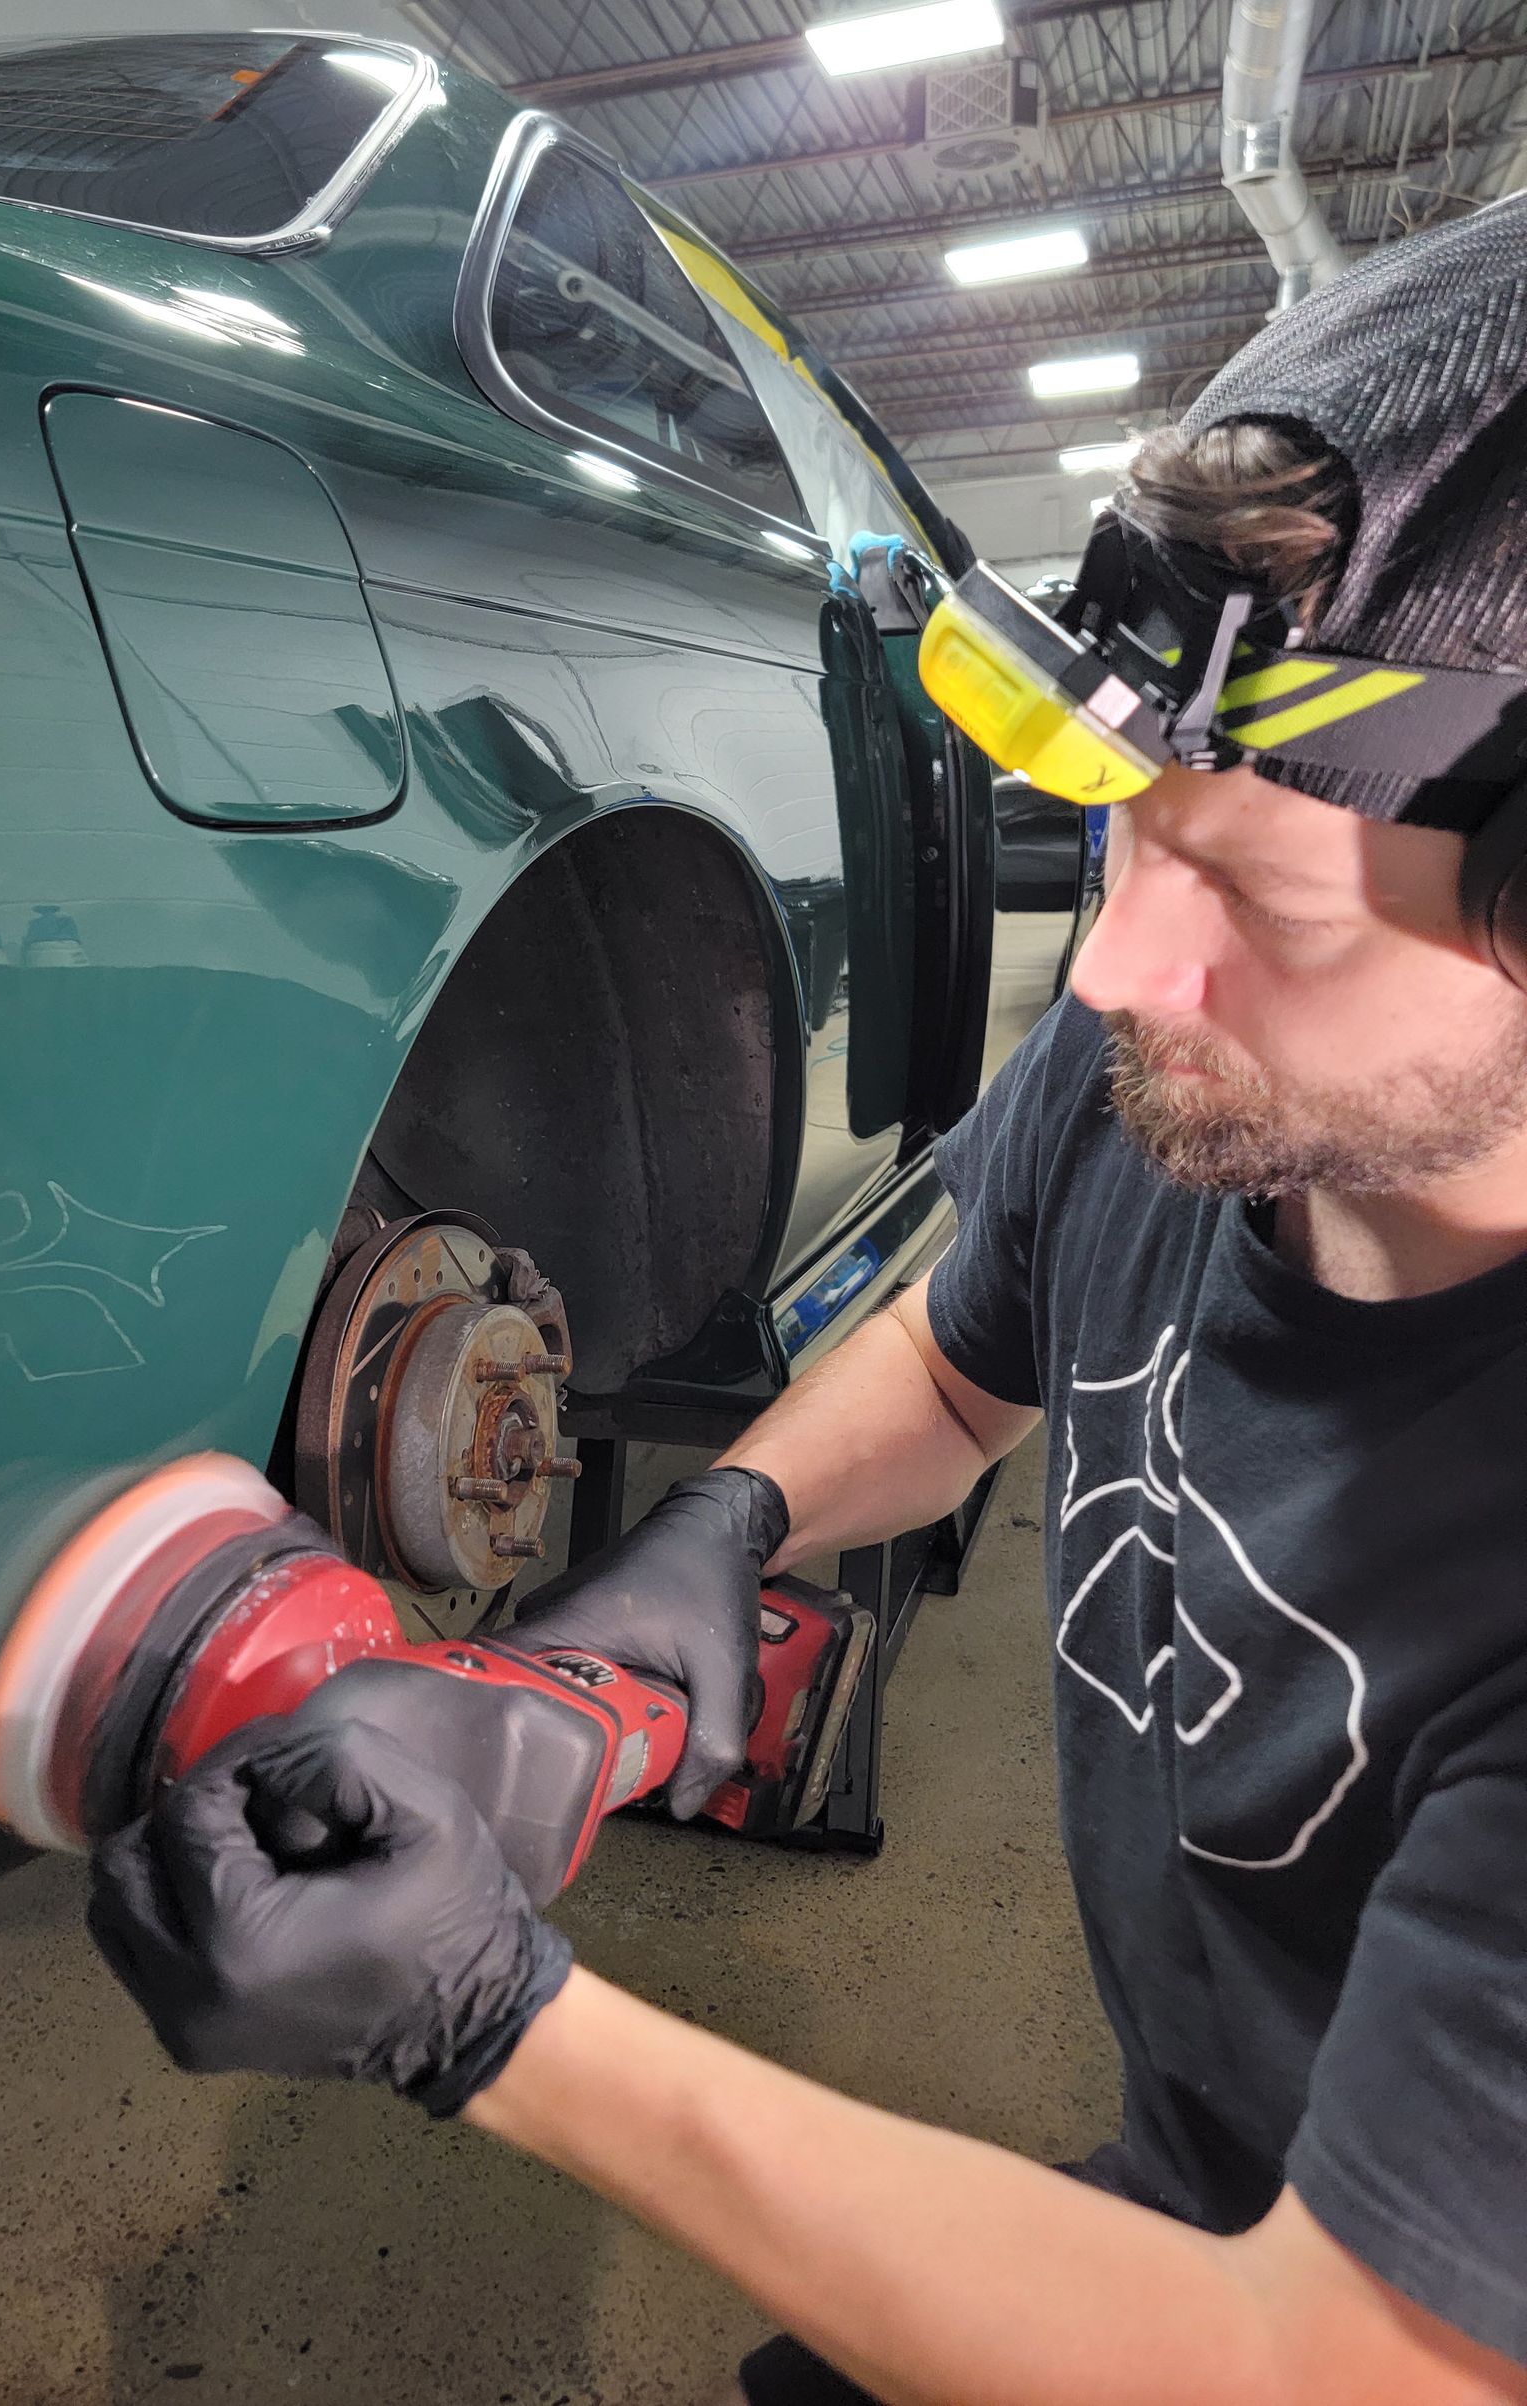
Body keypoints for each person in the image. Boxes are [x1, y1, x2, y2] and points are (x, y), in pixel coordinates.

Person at [87, 197, 1527, 2405]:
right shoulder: (1175, 1084)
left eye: (1261, 900)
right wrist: (704, 1554)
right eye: (1132, 826)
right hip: (1236, 2187)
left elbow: (1352, 2365)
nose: (1123, 969)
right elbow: (967, 1370)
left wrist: (505, 2028)